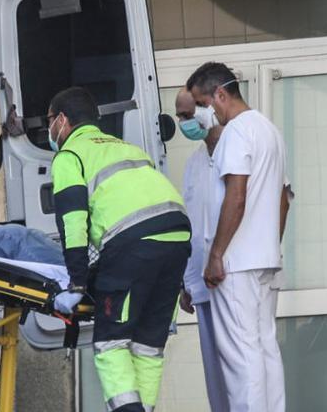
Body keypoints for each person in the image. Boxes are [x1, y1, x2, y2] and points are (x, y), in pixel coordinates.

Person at [48, 87, 190, 412]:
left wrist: (78, 280)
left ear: (61, 120)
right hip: (176, 237)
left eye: (50, 123)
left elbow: (73, 220)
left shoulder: (70, 155)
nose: (51, 133)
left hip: (134, 243)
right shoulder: (127, 148)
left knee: (111, 342)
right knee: (148, 346)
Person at [187, 62, 290, 412]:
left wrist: (216, 254)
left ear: (221, 94)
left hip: (236, 263)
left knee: (239, 356)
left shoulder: (236, 132)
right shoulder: (269, 130)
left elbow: (236, 194)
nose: (204, 113)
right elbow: (281, 200)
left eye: (203, 103)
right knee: (264, 348)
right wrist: (270, 243)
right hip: (263, 259)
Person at [174, 88, 229, 412]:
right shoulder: (194, 162)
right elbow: (193, 225)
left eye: (186, 114)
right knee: (216, 380)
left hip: (232, 281)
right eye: (179, 116)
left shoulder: (239, 149)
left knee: (241, 374)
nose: (182, 123)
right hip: (202, 286)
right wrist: (187, 284)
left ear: (207, 107)